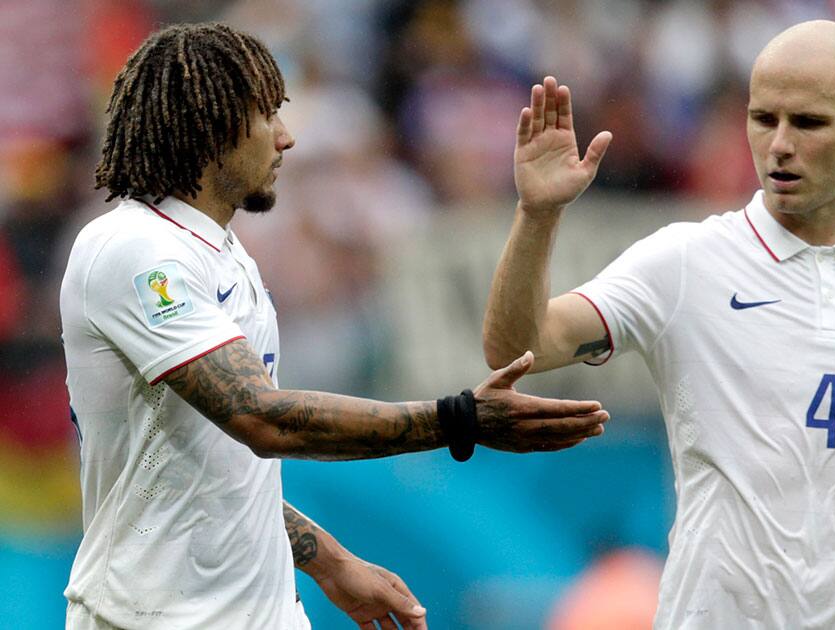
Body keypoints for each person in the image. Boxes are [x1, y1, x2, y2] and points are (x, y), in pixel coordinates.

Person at [60, 22, 609, 630]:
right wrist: (460, 419)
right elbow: (259, 419)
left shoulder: (223, 254)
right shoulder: (133, 248)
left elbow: (219, 463)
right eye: (267, 115)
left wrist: (326, 559)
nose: (287, 138)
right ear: (208, 126)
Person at [483, 20, 835, 629]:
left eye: (809, 123)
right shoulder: (686, 261)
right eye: (764, 119)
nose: (780, 144)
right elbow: (517, 347)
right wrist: (537, 215)